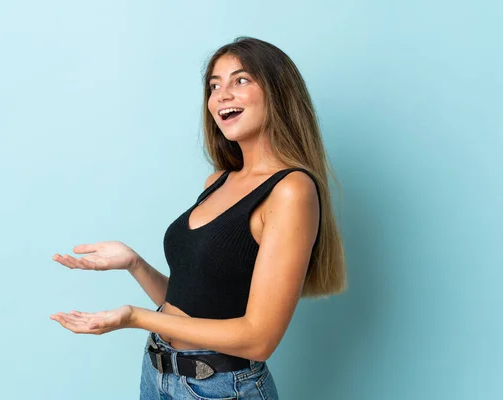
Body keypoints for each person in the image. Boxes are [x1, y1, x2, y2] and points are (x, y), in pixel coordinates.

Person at [50, 36, 347, 399]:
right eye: (214, 85)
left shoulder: (290, 190)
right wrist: (135, 263)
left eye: (241, 80)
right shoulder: (218, 180)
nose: (222, 95)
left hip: (221, 388)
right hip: (159, 374)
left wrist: (135, 317)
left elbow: (259, 339)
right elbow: (193, 304)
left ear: (278, 92)